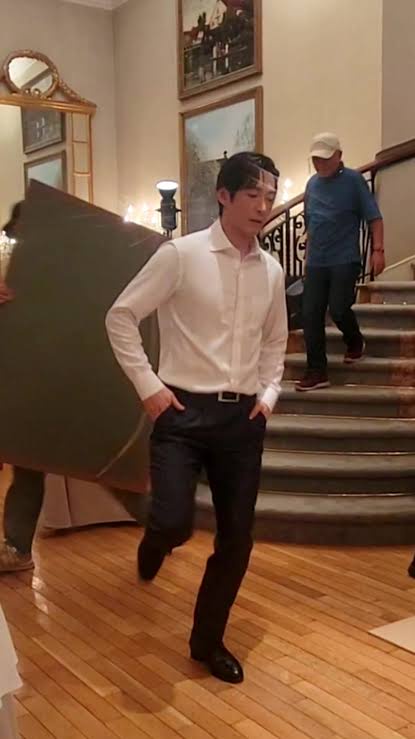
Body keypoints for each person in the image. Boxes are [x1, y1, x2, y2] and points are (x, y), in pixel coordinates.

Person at [106, 152, 288, 684]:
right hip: (182, 412)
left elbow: (275, 341)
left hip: (242, 420)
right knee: (173, 522)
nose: (263, 206)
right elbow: (121, 316)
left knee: (237, 539)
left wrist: (269, 395)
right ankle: (156, 539)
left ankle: (207, 642)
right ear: (224, 196)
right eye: (252, 195)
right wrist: (149, 387)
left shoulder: (272, 270)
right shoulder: (180, 256)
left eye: (270, 196)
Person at [0, 204, 145, 574]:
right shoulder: (18, 275)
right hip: (33, 387)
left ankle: (160, 526)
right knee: (28, 467)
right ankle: (16, 547)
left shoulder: (76, 269)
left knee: (107, 466)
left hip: (74, 382)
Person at [296, 132, 385, 391]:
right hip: (317, 260)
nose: (319, 164)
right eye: (316, 159)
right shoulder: (312, 185)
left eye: (324, 159)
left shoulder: (354, 181)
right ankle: (316, 371)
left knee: (338, 308)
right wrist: (307, 259)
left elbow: (374, 218)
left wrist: (378, 250)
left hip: (345, 258)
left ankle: (354, 341)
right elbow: (311, 224)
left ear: (339, 156)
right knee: (310, 314)